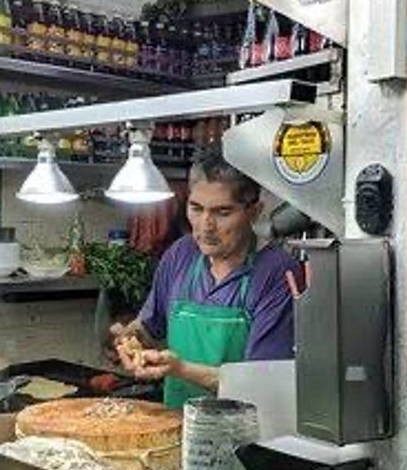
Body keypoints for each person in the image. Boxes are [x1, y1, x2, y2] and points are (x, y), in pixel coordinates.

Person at [112, 148, 301, 407]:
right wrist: (128, 340)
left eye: (222, 212)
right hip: (178, 424)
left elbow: (263, 382)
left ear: (254, 211)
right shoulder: (181, 254)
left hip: (247, 433)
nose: (205, 225)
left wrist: (180, 369)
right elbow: (147, 328)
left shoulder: (278, 273)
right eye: (196, 208)